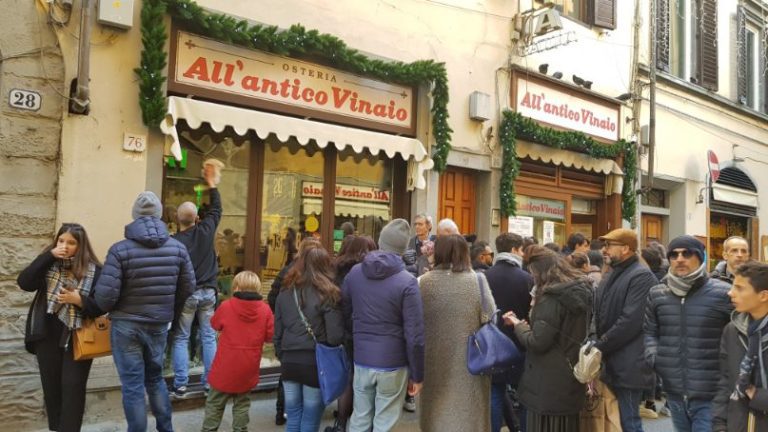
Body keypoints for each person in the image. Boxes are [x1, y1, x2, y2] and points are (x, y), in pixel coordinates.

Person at [60, 191, 195, 432]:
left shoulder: (120, 250)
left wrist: (97, 307)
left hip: (126, 326)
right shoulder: (178, 248)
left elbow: (105, 297)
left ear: (134, 216)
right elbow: (188, 288)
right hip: (158, 324)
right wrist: (168, 310)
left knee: (133, 386)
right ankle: (166, 429)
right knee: (155, 380)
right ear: (160, 215)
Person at [342, 219, 425, 432]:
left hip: (362, 358)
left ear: (381, 241)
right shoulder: (407, 281)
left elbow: (345, 312)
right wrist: (417, 374)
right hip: (393, 362)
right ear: (403, 248)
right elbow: (415, 335)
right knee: (384, 423)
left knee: (359, 419)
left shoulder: (355, 273)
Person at [17, 223, 102, 432]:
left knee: (73, 389)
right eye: (61, 241)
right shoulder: (49, 264)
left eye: (71, 242)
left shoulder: (95, 270)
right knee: (52, 390)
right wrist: (49, 256)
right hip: (47, 335)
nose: (65, 245)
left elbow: (102, 306)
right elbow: (25, 282)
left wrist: (79, 300)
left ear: (80, 246)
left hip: (79, 336)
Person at [645, 235, 732, 431]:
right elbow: (650, 331)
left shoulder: (723, 293)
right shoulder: (658, 293)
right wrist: (655, 358)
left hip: (711, 394)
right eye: (674, 255)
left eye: (687, 253)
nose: (680, 259)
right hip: (674, 391)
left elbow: (740, 336)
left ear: (700, 257)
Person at [503, 245, 592, 432]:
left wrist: (518, 325)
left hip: (548, 380)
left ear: (539, 271)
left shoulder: (551, 298)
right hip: (572, 373)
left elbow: (538, 342)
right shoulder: (582, 289)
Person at [418, 234, 495, 431]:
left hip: (433, 360)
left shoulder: (423, 282)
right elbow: (490, 318)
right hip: (471, 363)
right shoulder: (477, 280)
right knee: (469, 416)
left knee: (435, 414)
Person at [274, 246, 345, 432]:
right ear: (325, 266)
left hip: (289, 361)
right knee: (310, 420)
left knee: (294, 416)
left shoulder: (285, 292)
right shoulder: (328, 293)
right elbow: (335, 336)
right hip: (315, 363)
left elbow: (277, 333)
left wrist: (282, 355)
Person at [594, 228, 657, 432]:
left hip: (630, 364)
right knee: (614, 421)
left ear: (626, 249)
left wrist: (600, 345)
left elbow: (630, 321)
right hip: (613, 360)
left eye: (609, 246)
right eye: (604, 246)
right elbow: (599, 314)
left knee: (629, 421)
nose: (604, 250)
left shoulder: (641, 276)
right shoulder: (612, 273)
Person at [170, 165, 223, 398]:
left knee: (181, 337)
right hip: (208, 294)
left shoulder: (173, 242)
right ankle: (209, 382)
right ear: (197, 218)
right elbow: (217, 210)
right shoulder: (205, 230)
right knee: (209, 336)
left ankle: (181, 383)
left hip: (188, 295)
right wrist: (212, 184)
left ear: (176, 220)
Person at [202, 271, 274, 432]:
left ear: (236, 287)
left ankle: (209, 429)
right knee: (242, 404)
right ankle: (240, 429)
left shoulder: (227, 306)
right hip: (248, 366)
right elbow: (270, 336)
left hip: (225, 365)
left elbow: (214, 324)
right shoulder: (265, 310)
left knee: (215, 404)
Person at [481, 232, 533, 432]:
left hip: (493, 345)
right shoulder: (526, 278)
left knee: (495, 392)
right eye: (521, 250)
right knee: (526, 395)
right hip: (520, 343)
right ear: (514, 250)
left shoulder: (484, 276)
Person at [268, 237, 322, 426]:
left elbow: (278, 325)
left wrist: (280, 351)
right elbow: (333, 332)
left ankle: (279, 412)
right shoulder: (324, 290)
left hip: (290, 355)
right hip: (313, 358)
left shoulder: (286, 286)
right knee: (310, 413)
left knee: (293, 413)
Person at [713, 261, 768, 432]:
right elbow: (725, 380)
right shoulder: (732, 329)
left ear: (763, 295)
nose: (730, 293)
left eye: (739, 288)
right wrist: (719, 423)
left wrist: (759, 397)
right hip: (738, 423)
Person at [331, 235, 377, 432]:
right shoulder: (366, 271)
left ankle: (340, 423)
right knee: (363, 379)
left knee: (348, 378)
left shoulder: (335, 269)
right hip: (363, 329)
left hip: (342, 329)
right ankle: (361, 421)